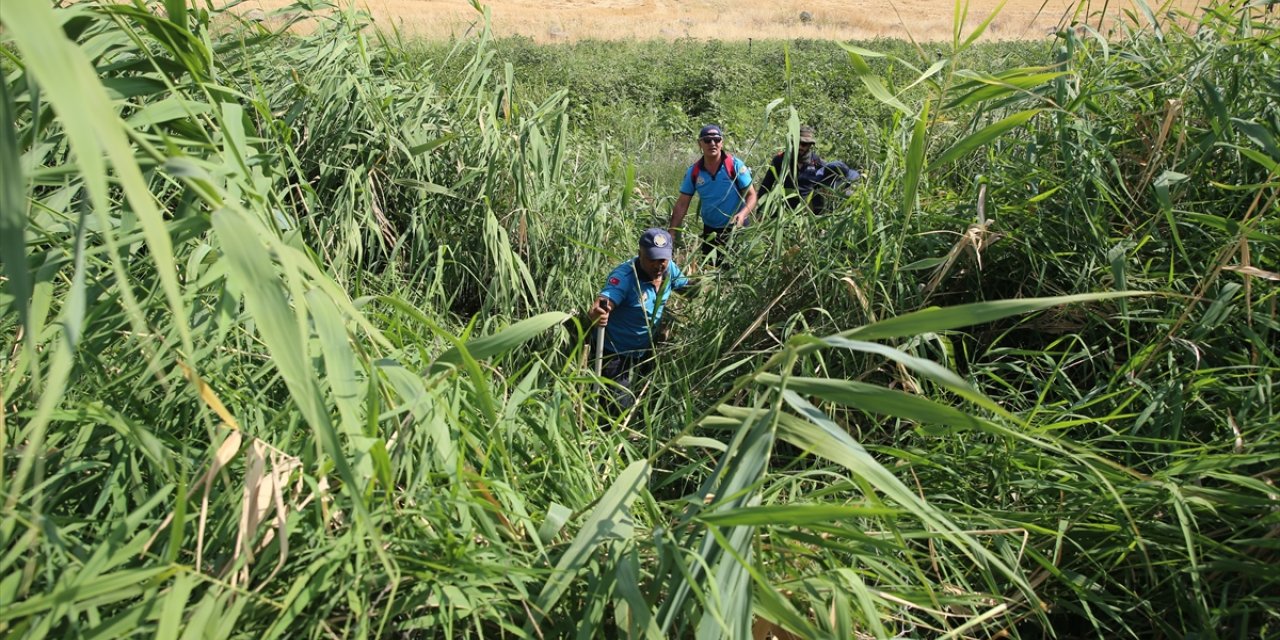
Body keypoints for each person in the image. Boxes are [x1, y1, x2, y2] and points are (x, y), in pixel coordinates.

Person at [588, 228, 696, 411]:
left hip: (646, 349)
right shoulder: (625, 278)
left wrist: (707, 282)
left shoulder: (669, 269)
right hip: (615, 351)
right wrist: (598, 312)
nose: (658, 265)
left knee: (646, 395)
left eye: (662, 259)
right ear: (640, 254)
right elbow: (605, 300)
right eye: (651, 259)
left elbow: (687, 289)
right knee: (617, 405)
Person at [668, 125, 757, 264]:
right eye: (707, 140)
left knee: (736, 272)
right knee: (710, 271)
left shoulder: (734, 165)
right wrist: (672, 231)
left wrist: (743, 214)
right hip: (710, 230)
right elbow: (682, 204)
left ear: (722, 142)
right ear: (700, 144)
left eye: (716, 139)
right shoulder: (694, 171)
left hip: (736, 228)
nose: (712, 143)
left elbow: (752, 195)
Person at [759, 125, 861, 214]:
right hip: (783, 210)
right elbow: (765, 186)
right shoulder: (781, 160)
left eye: (804, 144)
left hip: (807, 211)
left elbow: (829, 182)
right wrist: (761, 210)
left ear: (810, 145)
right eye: (798, 142)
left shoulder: (817, 162)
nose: (800, 147)